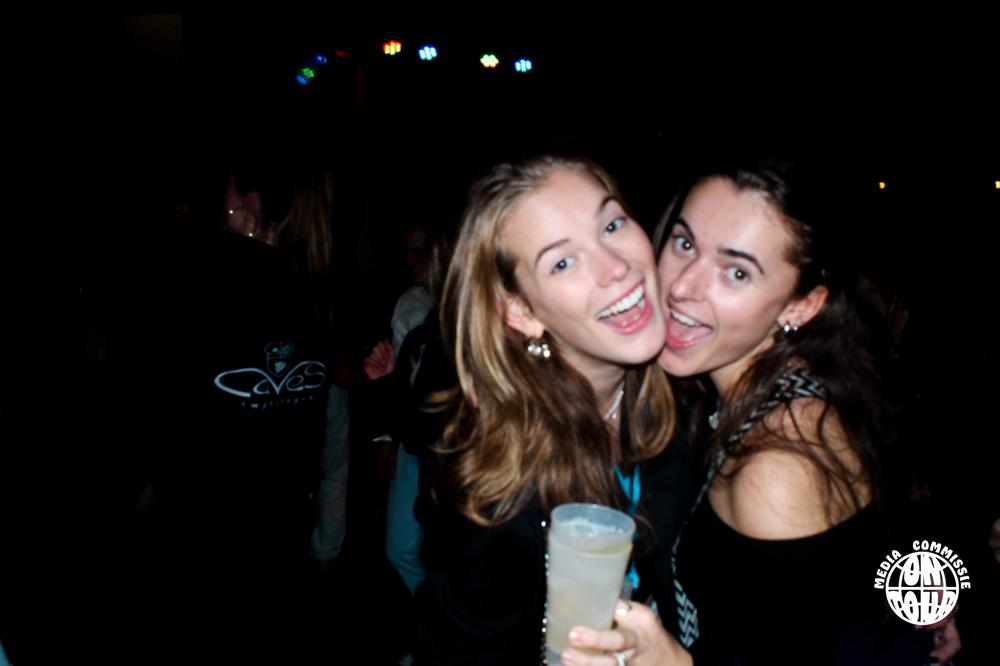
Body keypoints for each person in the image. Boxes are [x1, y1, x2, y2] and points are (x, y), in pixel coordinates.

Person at [562, 159, 953, 665]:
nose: (681, 286)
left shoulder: (779, 466)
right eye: (684, 244)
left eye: (737, 272)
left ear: (800, 306)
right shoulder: (776, 381)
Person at [414, 155, 684, 665]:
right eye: (562, 262)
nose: (616, 267)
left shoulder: (681, 398)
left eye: (612, 225)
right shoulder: (500, 489)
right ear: (521, 311)